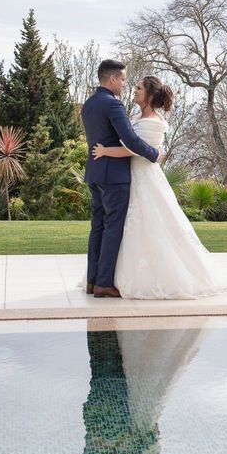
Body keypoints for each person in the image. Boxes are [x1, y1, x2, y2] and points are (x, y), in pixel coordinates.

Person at [90, 75, 227, 299]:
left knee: (150, 225)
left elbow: (134, 149)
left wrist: (105, 151)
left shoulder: (154, 122)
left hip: (143, 176)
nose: (134, 90)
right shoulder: (136, 116)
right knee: (125, 227)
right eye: (133, 86)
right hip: (128, 175)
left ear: (150, 95)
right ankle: (109, 277)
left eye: (138, 88)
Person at [81, 60, 164, 299]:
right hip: (114, 176)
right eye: (124, 79)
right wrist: (154, 154)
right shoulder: (113, 105)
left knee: (97, 226)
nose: (125, 85)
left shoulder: (89, 104)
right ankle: (104, 284)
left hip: (95, 173)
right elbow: (130, 140)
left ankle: (92, 280)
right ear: (113, 79)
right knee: (112, 228)